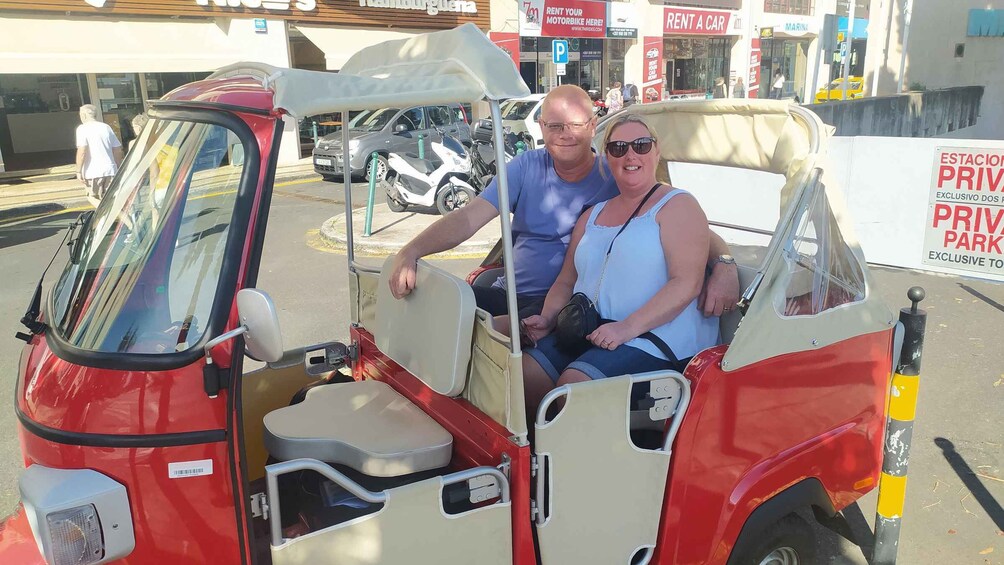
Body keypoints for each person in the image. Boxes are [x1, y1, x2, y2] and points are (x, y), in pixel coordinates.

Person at [388, 85, 740, 319]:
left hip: (571, 305)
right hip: (511, 292)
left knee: (480, 338)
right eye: (555, 126)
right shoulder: (525, 167)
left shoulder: (618, 173)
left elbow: (684, 224)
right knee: (437, 309)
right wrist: (412, 251)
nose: (565, 135)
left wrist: (724, 264)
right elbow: (468, 218)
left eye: (574, 125)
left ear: (593, 125)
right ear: (541, 127)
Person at [519, 113, 719, 416]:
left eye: (640, 145)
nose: (630, 155)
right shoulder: (593, 215)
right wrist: (548, 318)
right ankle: (541, 457)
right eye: (618, 148)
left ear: (656, 150)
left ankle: (588, 460)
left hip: (655, 340)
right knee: (523, 374)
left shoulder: (677, 205)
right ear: (607, 158)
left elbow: (686, 283)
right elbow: (565, 280)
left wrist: (626, 328)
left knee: (575, 387)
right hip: (592, 331)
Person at [76, 104, 123, 207]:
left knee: (92, 197)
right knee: (111, 200)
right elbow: (117, 149)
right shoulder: (106, 127)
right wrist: (118, 166)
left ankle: (106, 215)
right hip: (110, 170)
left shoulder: (82, 129)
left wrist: (78, 171)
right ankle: (123, 219)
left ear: (83, 115)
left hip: (92, 172)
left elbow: (82, 151)